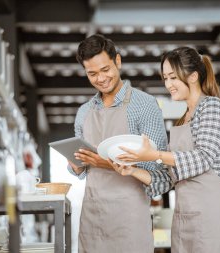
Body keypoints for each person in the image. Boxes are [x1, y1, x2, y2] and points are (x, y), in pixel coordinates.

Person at [111, 47, 220, 253]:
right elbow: (169, 179)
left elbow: (203, 158)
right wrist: (132, 171)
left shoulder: (212, 107)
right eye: (165, 78)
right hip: (187, 219)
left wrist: (155, 155)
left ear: (193, 76)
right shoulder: (182, 120)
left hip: (216, 218)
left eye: (173, 77)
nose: (168, 85)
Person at [67, 34, 168, 253]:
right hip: (92, 214)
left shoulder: (145, 105)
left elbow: (158, 166)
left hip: (129, 216)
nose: (100, 78)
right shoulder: (84, 112)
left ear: (118, 62)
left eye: (105, 70)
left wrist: (106, 162)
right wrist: (75, 165)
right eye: (92, 73)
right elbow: (80, 169)